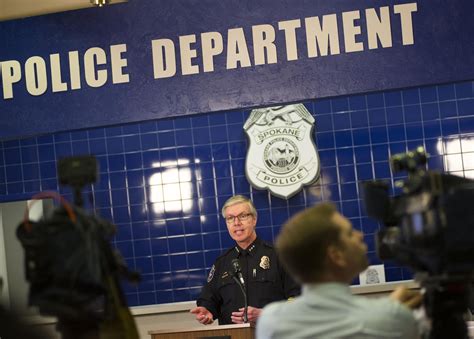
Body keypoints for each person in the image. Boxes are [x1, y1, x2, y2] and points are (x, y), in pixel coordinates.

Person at [256, 202, 422, 339]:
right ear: (336, 256)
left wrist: (388, 309)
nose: (360, 235)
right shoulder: (392, 318)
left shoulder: (271, 322)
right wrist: (391, 310)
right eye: (350, 233)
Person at [190, 195, 300, 325]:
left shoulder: (279, 255)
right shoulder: (222, 263)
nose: (237, 223)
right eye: (230, 218)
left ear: (254, 219)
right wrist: (207, 310)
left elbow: (298, 299)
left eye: (243, 216)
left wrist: (266, 314)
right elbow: (209, 299)